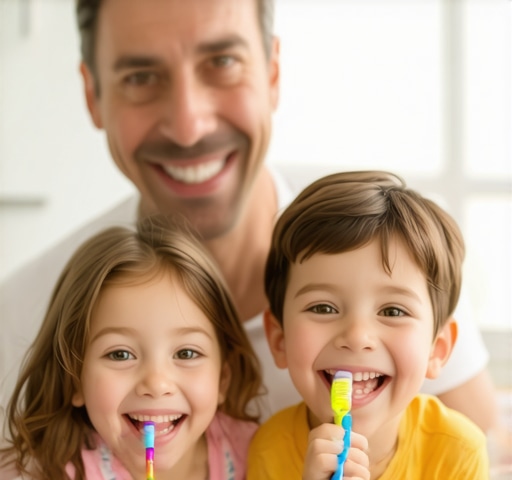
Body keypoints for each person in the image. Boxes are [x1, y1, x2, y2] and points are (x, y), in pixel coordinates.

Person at [0, 0, 498, 430]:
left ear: (273, 73)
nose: (189, 126)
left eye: (221, 61)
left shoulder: (395, 263)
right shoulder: (22, 321)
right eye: (141, 77)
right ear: (93, 96)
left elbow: (486, 464)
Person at [246, 170, 490, 480]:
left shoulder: (458, 452)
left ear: (438, 348)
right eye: (323, 307)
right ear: (279, 339)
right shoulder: (268, 451)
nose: (357, 337)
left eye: (392, 311)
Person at [0, 217, 262, 480]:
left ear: (222, 379)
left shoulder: (262, 458)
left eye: (186, 353)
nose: (156, 383)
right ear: (74, 378)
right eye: (120, 354)